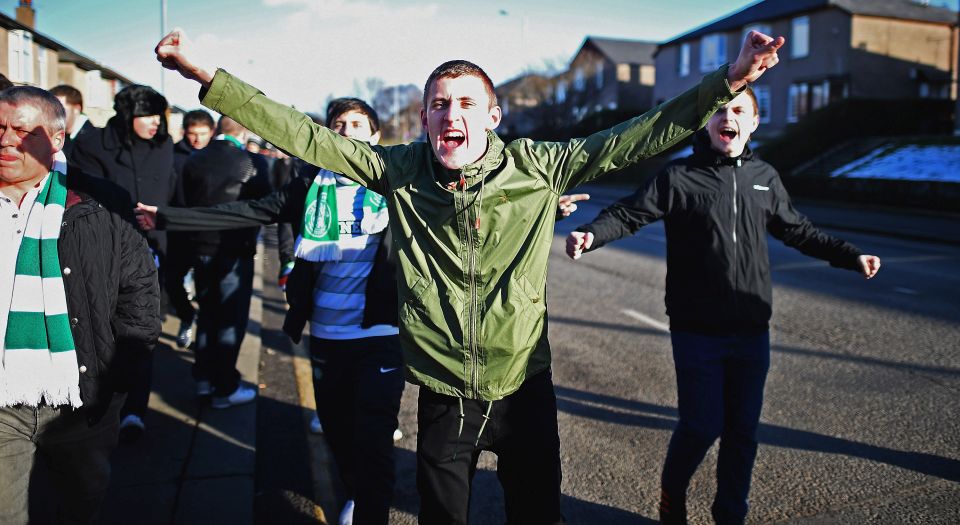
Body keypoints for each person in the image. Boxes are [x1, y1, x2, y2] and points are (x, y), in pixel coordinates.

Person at [152, 28, 785, 523]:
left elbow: (640, 134)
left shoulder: (541, 167)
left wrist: (730, 79)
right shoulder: (399, 169)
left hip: (524, 388)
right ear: (424, 119)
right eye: (436, 105)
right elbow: (301, 134)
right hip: (443, 394)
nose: (449, 114)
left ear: (492, 116)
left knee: (537, 514)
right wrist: (206, 76)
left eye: (464, 104)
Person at [566, 88, 882, 524]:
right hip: (697, 329)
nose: (726, 118)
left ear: (753, 123)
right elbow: (628, 214)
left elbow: (800, 231)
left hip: (752, 331)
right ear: (705, 124)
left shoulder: (765, 177)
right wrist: (591, 234)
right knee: (701, 425)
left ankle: (730, 514)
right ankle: (671, 497)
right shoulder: (679, 177)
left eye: (738, 111)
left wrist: (851, 255)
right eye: (718, 111)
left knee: (742, 433)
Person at [139, 98, 401, 525]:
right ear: (328, 137)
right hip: (328, 337)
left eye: (358, 124)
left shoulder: (397, 185)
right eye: (339, 124)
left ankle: (368, 507)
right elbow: (244, 211)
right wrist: (167, 217)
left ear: (374, 136)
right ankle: (354, 488)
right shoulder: (307, 188)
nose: (348, 131)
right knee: (337, 431)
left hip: (380, 335)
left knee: (372, 436)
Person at [0, 86, 160, 524]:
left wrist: (119, 374)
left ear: (56, 138)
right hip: (2, 403)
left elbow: (140, 290)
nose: (5, 140)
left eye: (21, 131)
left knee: (81, 502)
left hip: (81, 400)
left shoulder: (101, 203)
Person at [69, 84, 178, 441]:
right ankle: (101, 401)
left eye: (158, 117)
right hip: (104, 248)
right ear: (129, 114)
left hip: (152, 249)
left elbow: (170, 191)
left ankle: (135, 410)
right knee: (102, 325)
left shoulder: (163, 145)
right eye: (147, 116)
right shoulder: (92, 144)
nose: (155, 124)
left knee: (141, 325)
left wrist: (165, 220)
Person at [179, 115, 271, 407]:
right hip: (235, 249)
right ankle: (225, 387)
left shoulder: (193, 160)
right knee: (230, 319)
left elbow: (183, 203)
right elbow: (266, 208)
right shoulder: (253, 164)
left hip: (200, 247)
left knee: (207, 314)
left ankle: (204, 379)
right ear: (244, 131)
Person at [169, 109, 216, 349]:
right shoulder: (173, 155)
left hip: (207, 233)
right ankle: (187, 317)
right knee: (172, 281)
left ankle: (206, 339)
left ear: (213, 132)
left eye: (203, 134)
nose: (197, 139)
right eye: (192, 134)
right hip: (177, 231)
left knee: (208, 289)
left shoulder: (216, 156)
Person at [49, 84, 96, 158]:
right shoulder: (61, 139)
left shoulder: (93, 141)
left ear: (76, 109)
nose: (53, 114)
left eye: (59, 109)